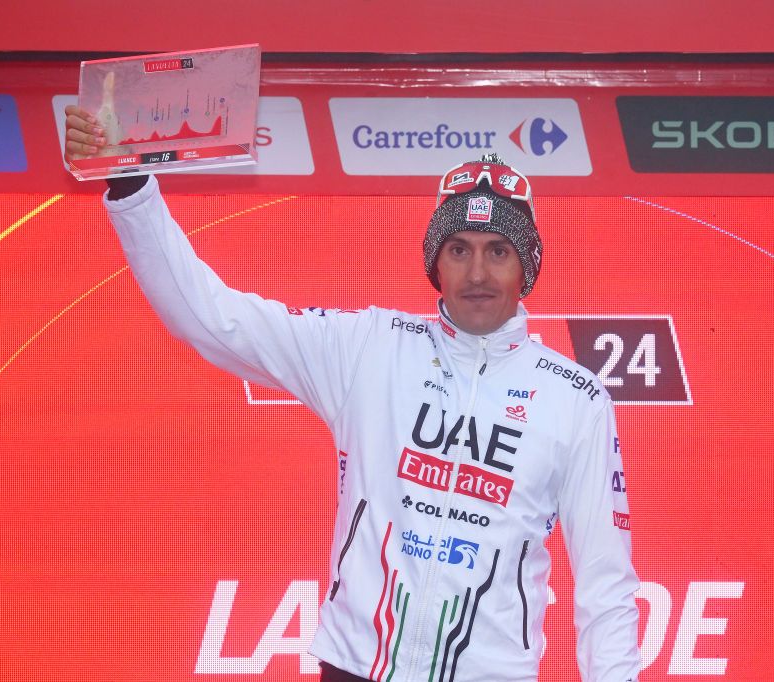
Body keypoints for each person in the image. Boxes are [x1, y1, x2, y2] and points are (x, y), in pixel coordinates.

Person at [65, 106, 642, 682]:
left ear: (527, 267)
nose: (478, 274)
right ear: (435, 263)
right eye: (459, 249)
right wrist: (132, 187)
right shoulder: (371, 346)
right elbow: (212, 319)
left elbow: (605, 583)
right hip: (356, 666)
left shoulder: (576, 398)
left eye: (498, 251)